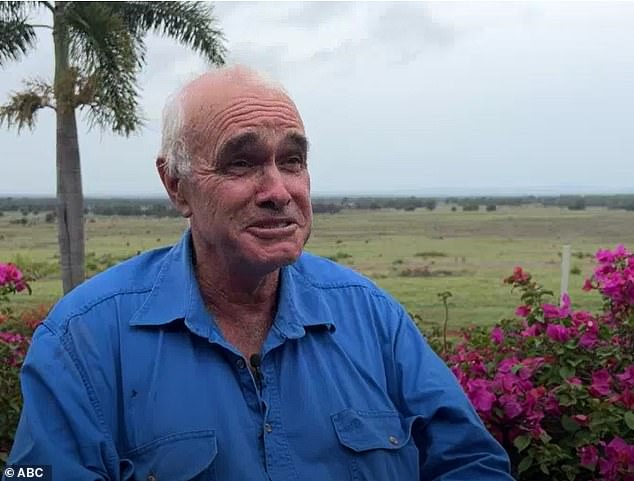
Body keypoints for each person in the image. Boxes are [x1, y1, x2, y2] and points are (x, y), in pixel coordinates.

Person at [6, 66, 514, 481]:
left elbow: (470, 464)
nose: (278, 190)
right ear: (177, 185)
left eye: (292, 161)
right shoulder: (84, 339)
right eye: (242, 163)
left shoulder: (371, 316)